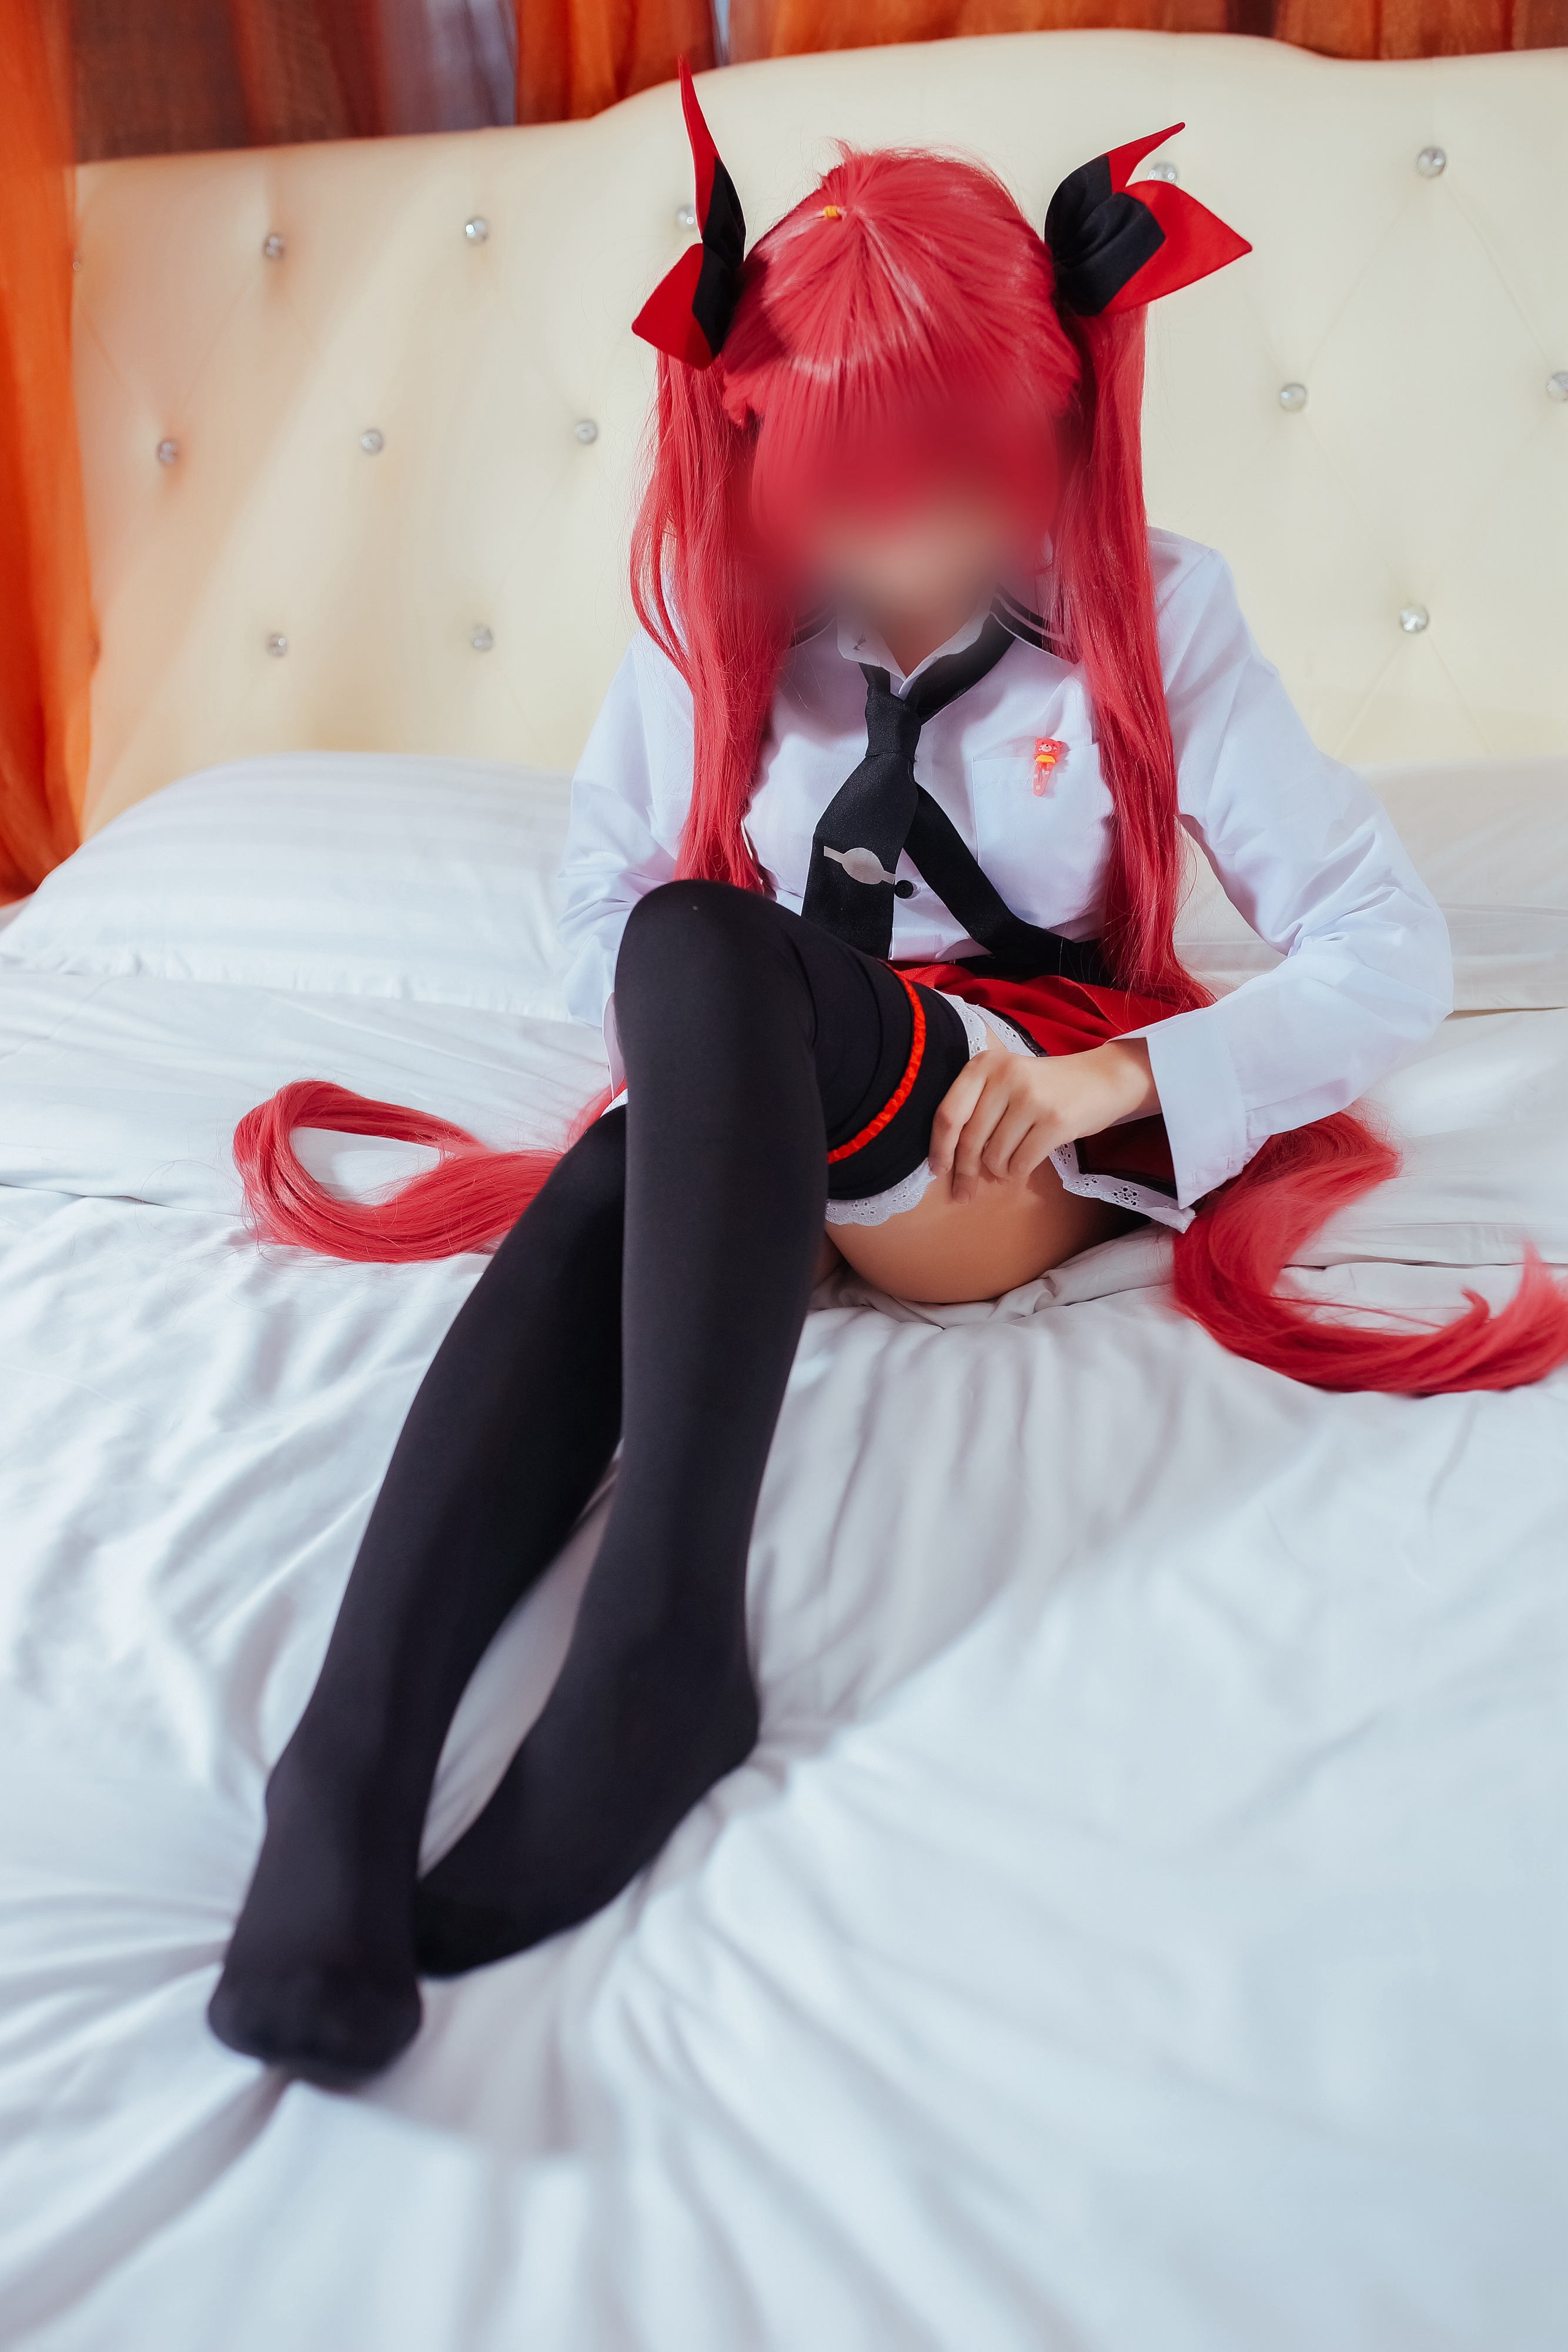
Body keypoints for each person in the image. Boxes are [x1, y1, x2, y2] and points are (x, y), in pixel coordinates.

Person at [208, 70, 1568, 2084]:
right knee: (651, 1062)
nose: (905, 543)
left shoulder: (1156, 611)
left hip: (1005, 1121)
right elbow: (589, 910)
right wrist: (721, 1096)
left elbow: (1390, 948)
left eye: (956, 481)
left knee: (700, 948)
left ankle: (663, 1642)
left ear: (1047, 427)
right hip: (774, 1099)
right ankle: (340, 1788)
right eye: (845, 492)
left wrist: (1124, 1088)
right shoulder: (713, 616)